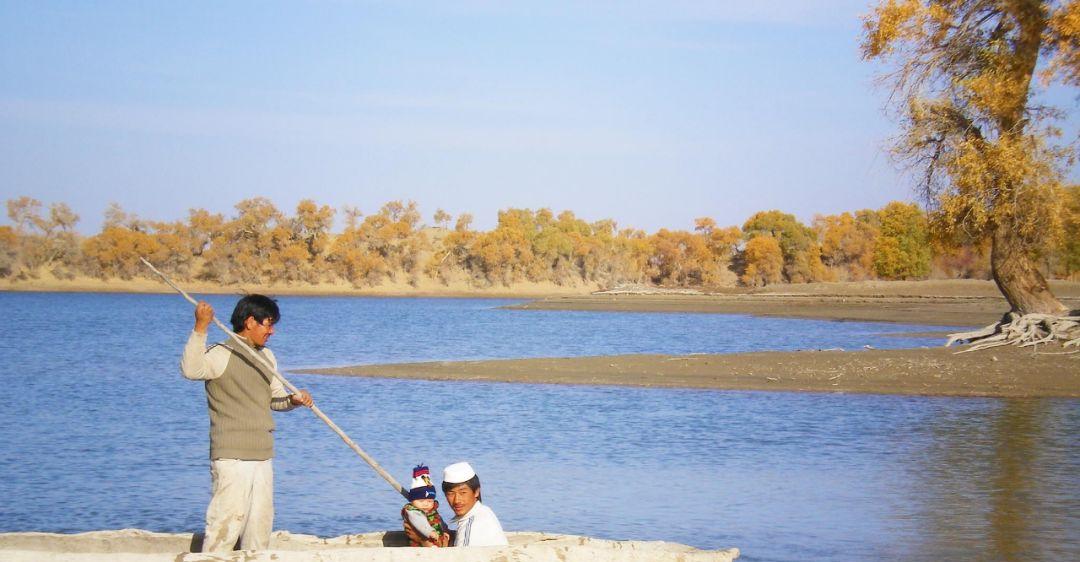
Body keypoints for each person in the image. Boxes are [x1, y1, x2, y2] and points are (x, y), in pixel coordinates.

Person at [180, 294, 314, 552]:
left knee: (259, 529)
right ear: (250, 322)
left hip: (262, 456)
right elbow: (191, 370)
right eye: (268, 324)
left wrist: (294, 401)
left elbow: (275, 400)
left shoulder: (268, 357)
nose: (272, 331)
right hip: (232, 458)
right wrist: (200, 327)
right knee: (225, 526)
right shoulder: (221, 353)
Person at [441, 461, 508, 547]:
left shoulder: (471, 526)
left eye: (463, 492)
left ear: (476, 492)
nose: (457, 500)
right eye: (451, 493)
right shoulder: (485, 510)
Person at [400, 465, 448, 547]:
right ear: (412, 500)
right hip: (421, 543)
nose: (426, 504)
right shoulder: (413, 512)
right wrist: (429, 532)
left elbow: (439, 521)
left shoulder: (432, 510)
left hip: (437, 540)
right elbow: (420, 523)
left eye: (429, 501)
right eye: (421, 501)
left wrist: (445, 530)